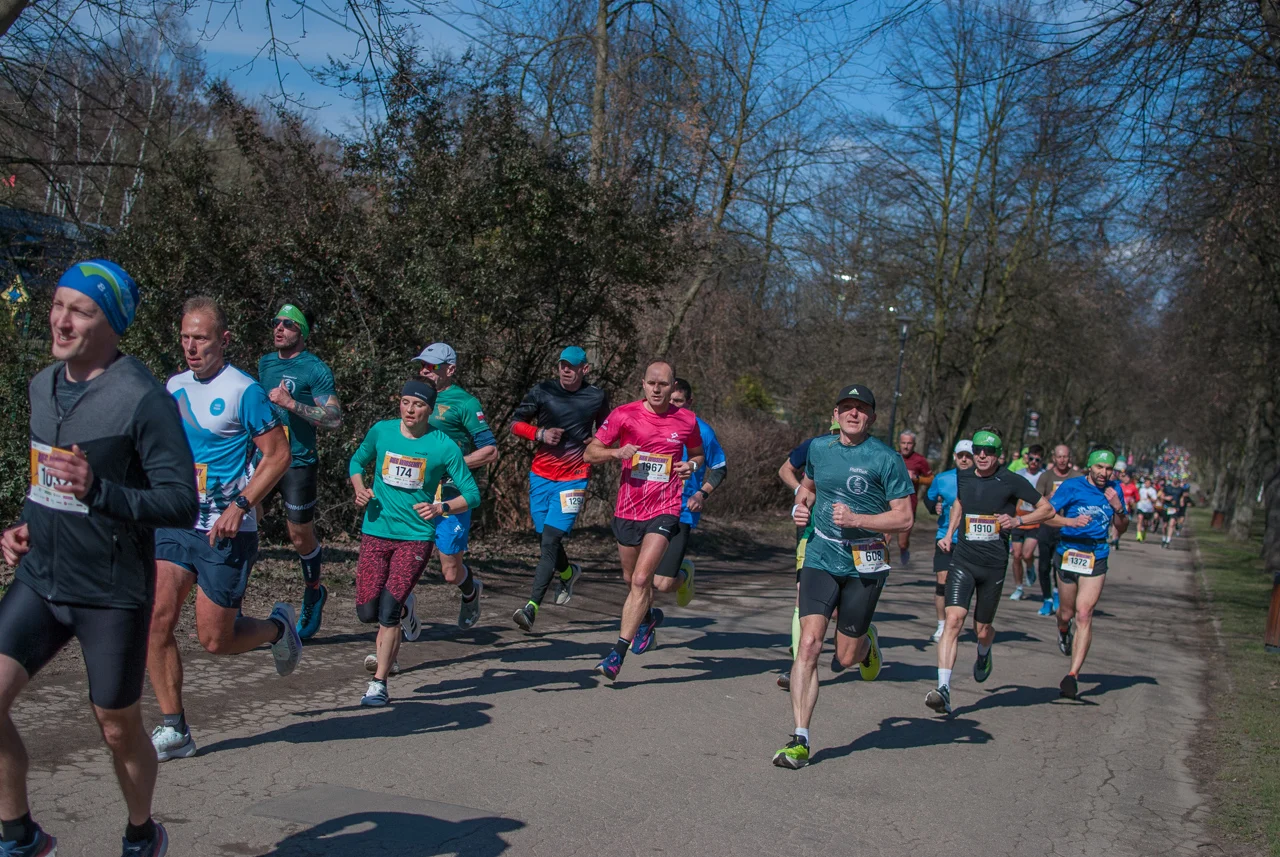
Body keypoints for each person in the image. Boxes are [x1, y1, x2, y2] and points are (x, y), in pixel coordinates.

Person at [0, 261, 196, 857]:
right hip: (41, 579)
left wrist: (100, 492)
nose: (61, 319)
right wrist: (24, 526)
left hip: (110, 590)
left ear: (111, 323)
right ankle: (18, 834)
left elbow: (181, 502)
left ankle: (142, 832)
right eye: (58, 305)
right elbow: (47, 482)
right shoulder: (43, 385)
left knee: (116, 727)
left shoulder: (143, 399)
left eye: (80, 310)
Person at [148, 297, 301, 765]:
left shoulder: (244, 391)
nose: (192, 348)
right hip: (177, 523)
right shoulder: (173, 386)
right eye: (186, 338)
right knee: (155, 619)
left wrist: (241, 504)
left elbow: (278, 456)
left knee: (215, 639)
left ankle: (278, 630)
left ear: (224, 340)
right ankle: (175, 729)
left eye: (202, 339)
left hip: (226, 529)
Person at [772, 384, 915, 769]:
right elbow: (807, 489)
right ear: (835, 414)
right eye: (846, 407)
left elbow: (904, 517)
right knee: (810, 645)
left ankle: (866, 644)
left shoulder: (886, 459)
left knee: (846, 656)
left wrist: (859, 520)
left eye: (861, 408)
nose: (853, 414)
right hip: (820, 554)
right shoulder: (819, 449)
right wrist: (799, 507)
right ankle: (800, 740)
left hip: (865, 560)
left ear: (871, 416)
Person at [348, 381, 481, 706]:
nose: (409, 409)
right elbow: (355, 462)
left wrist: (441, 507)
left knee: (387, 613)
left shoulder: (443, 446)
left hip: (415, 537)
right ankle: (407, 608)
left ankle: (379, 684)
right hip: (376, 531)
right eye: (405, 402)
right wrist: (360, 489)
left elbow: (472, 494)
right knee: (367, 612)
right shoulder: (382, 432)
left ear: (430, 409)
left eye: (417, 405)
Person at [583, 360, 704, 682]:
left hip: (665, 509)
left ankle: (616, 654)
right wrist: (616, 453)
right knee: (629, 578)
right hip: (627, 510)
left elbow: (697, 454)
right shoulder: (624, 415)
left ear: (672, 385)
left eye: (663, 384)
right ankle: (648, 616)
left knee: (640, 581)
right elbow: (590, 453)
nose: (656, 389)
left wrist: (690, 467)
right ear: (643, 383)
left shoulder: (686, 419)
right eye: (651, 383)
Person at [926, 428, 1053, 715]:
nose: (982, 455)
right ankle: (943, 689)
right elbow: (959, 503)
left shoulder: (1011, 480)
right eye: (978, 451)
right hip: (963, 559)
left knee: (981, 629)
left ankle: (984, 651)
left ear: (999, 455)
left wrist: (1019, 521)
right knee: (953, 619)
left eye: (989, 451)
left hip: (993, 565)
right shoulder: (964, 475)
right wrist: (948, 533)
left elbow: (1046, 509)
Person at [508, 347, 611, 631]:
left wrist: (597, 443)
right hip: (541, 475)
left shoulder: (596, 396)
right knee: (545, 539)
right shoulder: (543, 390)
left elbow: (607, 430)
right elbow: (514, 424)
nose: (565, 370)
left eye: (572, 366)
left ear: (584, 370)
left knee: (550, 541)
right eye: (562, 365)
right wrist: (539, 433)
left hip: (575, 477)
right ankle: (568, 572)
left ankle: (531, 607)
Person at [257, 303, 342, 640]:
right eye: (276, 321)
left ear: (302, 332)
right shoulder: (265, 363)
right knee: (247, 520)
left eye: (289, 324)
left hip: (298, 463)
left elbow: (334, 419)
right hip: (264, 460)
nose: (280, 328)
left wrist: (292, 404)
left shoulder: (315, 369)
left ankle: (314, 591)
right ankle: (228, 603)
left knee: (299, 536)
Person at [414, 343, 499, 628]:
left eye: (432, 366)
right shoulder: (415, 396)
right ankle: (397, 619)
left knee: (450, 572)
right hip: (414, 490)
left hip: (451, 492)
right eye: (422, 365)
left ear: (450, 370)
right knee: (404, 559)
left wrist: (453, 463)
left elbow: (490, 451)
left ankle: (471, 591)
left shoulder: (465, 403)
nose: (425, 370)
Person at [1042, 448, 1128, 699]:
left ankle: (1072, 676)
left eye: (1109, 468)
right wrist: (1069, 522)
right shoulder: (1071, 487)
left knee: (1083, 613)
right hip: (1069, 553)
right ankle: (1062, 630)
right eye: (1100, 467)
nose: (1104, 472)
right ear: (1090, 466)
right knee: (1066, 613)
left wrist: (1118, 508)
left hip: (1096, 554)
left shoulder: (1114, 490)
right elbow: (1047, 515)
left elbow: (1122, 527)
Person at [651, 378, 727, 610]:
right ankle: (644, 625)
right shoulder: (653, 425)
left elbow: (720, 468)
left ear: (689, 402)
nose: (672, 405)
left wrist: (701, 495)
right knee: (639, 575)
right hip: (649, 506)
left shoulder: (702, 431)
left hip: (681, 510)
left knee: (662, 583)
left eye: (678, 401)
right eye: (669, 400)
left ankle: (685, 573)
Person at [774, 421, 839, 691]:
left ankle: (863, 636)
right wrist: (799, 492)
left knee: (838, 611)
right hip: (811, 534)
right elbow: (785, 469)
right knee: (803, 595)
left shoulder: (871, 453)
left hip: (850, 539)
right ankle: (798, 665)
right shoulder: (815, 446)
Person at [924, 440, 975, 643]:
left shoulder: (981, 480)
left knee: (966, 585)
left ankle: (959, 621)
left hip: (972, 540)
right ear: (955, 456)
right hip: (945, 537)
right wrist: (934, 507)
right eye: (961, 455)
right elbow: (929, 499)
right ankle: (942, 625)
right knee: (942, 582)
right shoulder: (942, 478)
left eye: (968, 456)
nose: (964, 459)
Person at [1033, 444, 1081, 617]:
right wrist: (1049, 498)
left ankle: (1059, 595)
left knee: (1060, 565)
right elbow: (1035, 501)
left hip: (1067, 527)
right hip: (1047, 525)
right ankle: (1047, 599)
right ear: (1054, 458)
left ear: (1070, 458)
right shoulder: (1046, 477)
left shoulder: (1077, 477)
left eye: (1065, 457)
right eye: (1059, 457)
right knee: (1044, 566)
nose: (1062, 460)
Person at [1008, 443, 1045, 601]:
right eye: (1031, 458)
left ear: (1041, 461)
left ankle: (1030, 566)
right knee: (1016, 555)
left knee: (1027, 554)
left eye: (1037, 459)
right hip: (1018, 519)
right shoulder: (1019, 474)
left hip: (1035, 520)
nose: (1034, 462)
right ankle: (1019, 587)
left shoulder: (1043, 476)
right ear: (1026, 458)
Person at [892, 430, 932, 567]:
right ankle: (880, 572)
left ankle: (904, 550)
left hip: (909, 505)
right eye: (903, 443)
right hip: (889, 503)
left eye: (909, 443)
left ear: (914, 444)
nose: (906, 446)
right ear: (899, 443)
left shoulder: (920, 460)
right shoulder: (893, 456)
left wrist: (917, 478)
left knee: (902, 542)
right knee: (883, 539)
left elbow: (931, 479)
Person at [1160, 479, 1187, 548]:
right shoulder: (1167, 487)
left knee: (1171, 524)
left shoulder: (1180, 489)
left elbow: (1181, 498)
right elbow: (1161, 496)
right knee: (1165, 525)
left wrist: (1181, 505)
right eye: (1174, 479)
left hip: (1174, 508)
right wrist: (1166, 498)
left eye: (1176, 479)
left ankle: (1168, 541)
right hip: (1166, 507)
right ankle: (1164, 539)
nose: (1175, 480)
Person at [1135, 477, 1157, 542]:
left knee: (1146, 523)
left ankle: (1144, 533)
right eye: (1146, 483)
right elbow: (1137, 496)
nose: (1147, 484)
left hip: (1148, 508)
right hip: (1141, 506)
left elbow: (1155, 500)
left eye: (1148, 483)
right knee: (1140, 519)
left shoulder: (1152, 490)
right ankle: (1138, 535)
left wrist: (1150, 497)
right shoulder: (1141, 489)